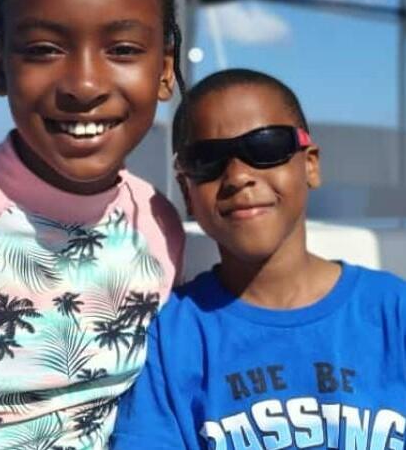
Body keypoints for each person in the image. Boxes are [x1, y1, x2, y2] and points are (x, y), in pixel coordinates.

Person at [0, 0, 185, 449]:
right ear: (0, 68)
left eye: (122, 50)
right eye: (44, 49)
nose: (84, 85)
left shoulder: (158, 223)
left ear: (165, 72)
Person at [113, 69, 406, 450]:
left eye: (266, 147)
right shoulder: (170, 339)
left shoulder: (394, 312)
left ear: (310, 165)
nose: (238, 176)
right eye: (207, 160)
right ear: (187, 191)